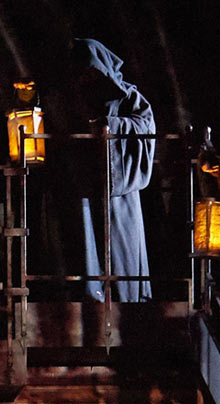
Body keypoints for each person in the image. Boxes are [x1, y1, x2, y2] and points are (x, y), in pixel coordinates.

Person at [59, 38, 154, 303]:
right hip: (83, 190)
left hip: (121, 198)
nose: (87, 78)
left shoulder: (127, 97)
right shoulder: (70, 99)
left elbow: (145, 126)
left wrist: (109, 127)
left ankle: (127, 304)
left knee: (123, 259)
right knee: (85, 253)